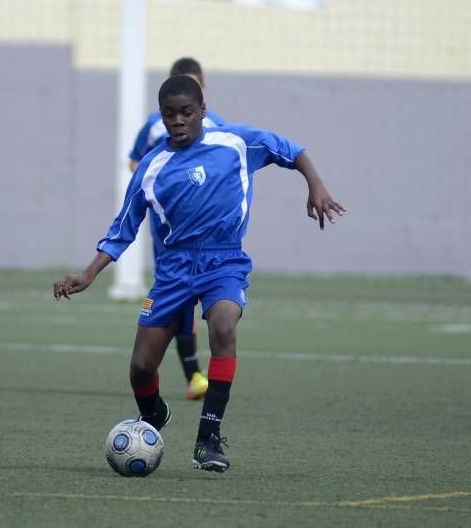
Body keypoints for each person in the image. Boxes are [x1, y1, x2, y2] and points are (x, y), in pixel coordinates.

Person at [55, 75, 345, 472]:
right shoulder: (152, 167)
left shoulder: (235, 143)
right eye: (169, 114)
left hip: (223, 261)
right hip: (174, 269)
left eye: (186, 113)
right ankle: (154, 414)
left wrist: (316, 186)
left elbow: (292, 151)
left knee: (224, 326)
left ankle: (208, 438)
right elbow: (123, 226)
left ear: (202, 112)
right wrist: (89, 274)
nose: (178, 121)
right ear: (162, 116)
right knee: (141, 367)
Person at [128, 57, 227, 401]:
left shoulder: (219, 128)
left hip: (210, 240)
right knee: (177, 299)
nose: (179, 119)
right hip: (167, 231)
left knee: (208, 304)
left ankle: (194, 375)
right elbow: (135, 161)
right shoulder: (156, 127)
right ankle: (192, 374)